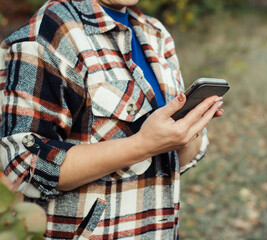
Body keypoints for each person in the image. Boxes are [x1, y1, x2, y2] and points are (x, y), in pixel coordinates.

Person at [0, 0, 224, 238]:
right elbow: (22, 164)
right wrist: (143, 145)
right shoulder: (53, 30)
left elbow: (175, 159)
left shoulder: (156, 33)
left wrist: (186, 134)